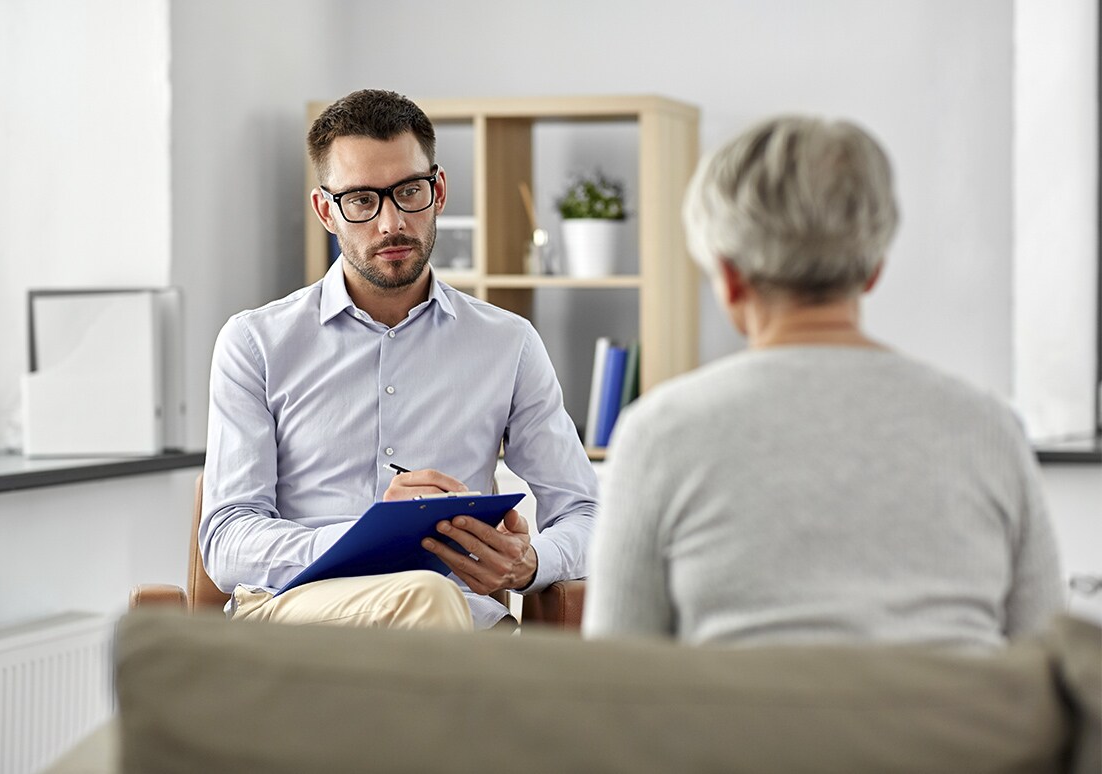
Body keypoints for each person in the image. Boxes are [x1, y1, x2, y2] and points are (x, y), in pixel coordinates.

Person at [582, 115, 1064, 648]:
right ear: (874, 268)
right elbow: (1048, 666)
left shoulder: (659, 433)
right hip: (958, 732)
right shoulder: (987, 428)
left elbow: (617, 685)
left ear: (731, 277)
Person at [200, 89, 597, 632]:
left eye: (408, 191)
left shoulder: (510, 343)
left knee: (434, 603)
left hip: (462, 625)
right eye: (362, 199)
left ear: (437, 191)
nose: (391, 223)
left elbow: (586, 513)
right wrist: (376, 534)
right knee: (425, 597)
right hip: (299, 623)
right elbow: (225, 541)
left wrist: (530, 563)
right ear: (326, 210)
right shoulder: (254, 343)